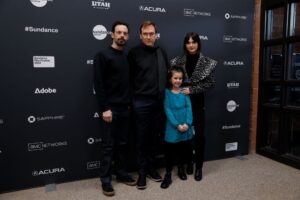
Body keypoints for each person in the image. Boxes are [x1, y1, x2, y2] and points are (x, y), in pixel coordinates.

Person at [93, 21, 136, 197]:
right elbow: (99, 84)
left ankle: (121, 173)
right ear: (112, 34)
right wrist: (105, 108)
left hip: (125, 108)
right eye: (118, 32)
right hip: (110, 110)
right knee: (108, 146)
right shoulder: (102, 55)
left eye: (125, 33)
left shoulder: (127, 56)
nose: (122, 36)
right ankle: (105, 180)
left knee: (123, 144)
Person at [170, 32, 217, 181]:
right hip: (181, 104)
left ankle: (199, 167)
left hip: (197, 104)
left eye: (194, 42)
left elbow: (210, 83)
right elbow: (171, 81)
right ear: (185, 44)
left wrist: (193, 89)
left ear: (198, 43)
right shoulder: (177, 61)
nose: (191, 45)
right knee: (184, 136)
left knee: (200, 137)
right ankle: (187, 163)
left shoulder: (206, 62)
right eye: (188, 42)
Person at [128, 20, 169, 190]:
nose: (148, 37)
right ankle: (142, 173)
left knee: (154, 138)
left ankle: (152, 168)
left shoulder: (161, 52)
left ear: (156, 35)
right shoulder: (134, 53)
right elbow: (128, 79)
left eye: (151, 33)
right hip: (141, 102)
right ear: (140, 35)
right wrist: (132, 102)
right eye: (145, 34)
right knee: (141, 139)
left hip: (159, 102)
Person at [160, 66, 193, 189]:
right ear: (170, 79)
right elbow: (167, 109)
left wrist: (187, 123)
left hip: (185, 125)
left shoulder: (185, 92)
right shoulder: (167, 93)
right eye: (175, 78)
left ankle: (181, 169)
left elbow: (189, 108)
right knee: (170, 152)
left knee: (183, 150)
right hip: (173, 126)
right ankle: (168, 174)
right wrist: (177, 125)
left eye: (180, 78)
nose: (178, 80)